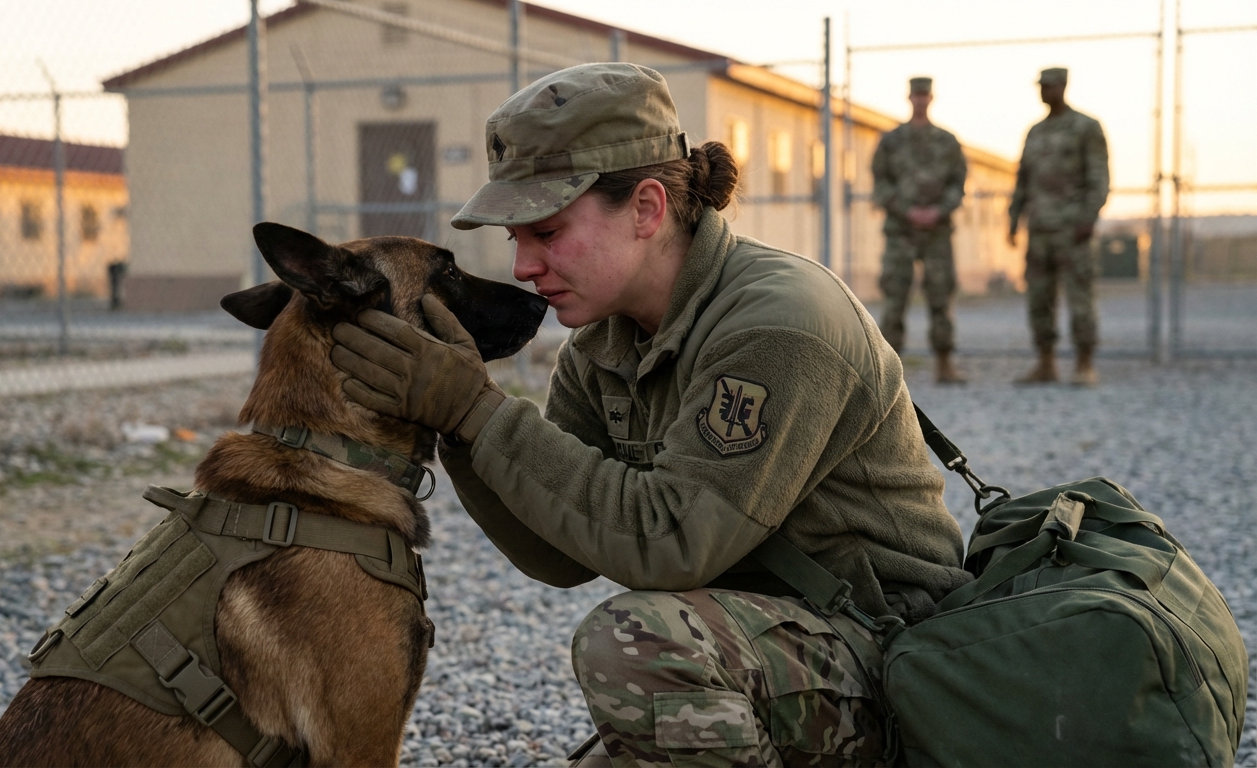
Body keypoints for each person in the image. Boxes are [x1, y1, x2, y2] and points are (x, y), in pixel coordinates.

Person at [329, 63, 971, 767]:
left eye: (545, 231)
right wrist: (455, 426)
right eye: (516, 239)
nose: (521, 266)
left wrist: (477, 410)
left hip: (896, 662)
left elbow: (669, 543)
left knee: (635, 643)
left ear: (647, 208)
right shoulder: (604, 343)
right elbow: (559, 552)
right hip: (774, 652)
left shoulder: (778, 325)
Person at [1008, 67, 1111, 386]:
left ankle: (1084, 364)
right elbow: (1023, 179)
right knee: (1039, 298)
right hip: (1039, 230)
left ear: (1063, 86)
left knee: (1080, 297)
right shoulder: (1035, 132)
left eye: (1050, 86)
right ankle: (1046, 363)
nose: (1045, 92)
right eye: (1041, 87)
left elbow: (1098, 177)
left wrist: (1088, 217)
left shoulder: (1086, 127)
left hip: (1072, 229)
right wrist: (1013, 219)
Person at [871, 76, 969, 384]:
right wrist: (907, 210)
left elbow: (958, 184)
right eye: (916, 94)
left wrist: (938, 211)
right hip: (901, 230)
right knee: (894, 295)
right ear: (909, 97)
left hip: (937, 232)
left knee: (941, 294)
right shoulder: (891, 141)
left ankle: (944, 363)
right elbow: (881, 183)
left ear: (931, 98)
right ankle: (888, 370)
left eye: (925, 94)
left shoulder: (948, 141)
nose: (921, 99)